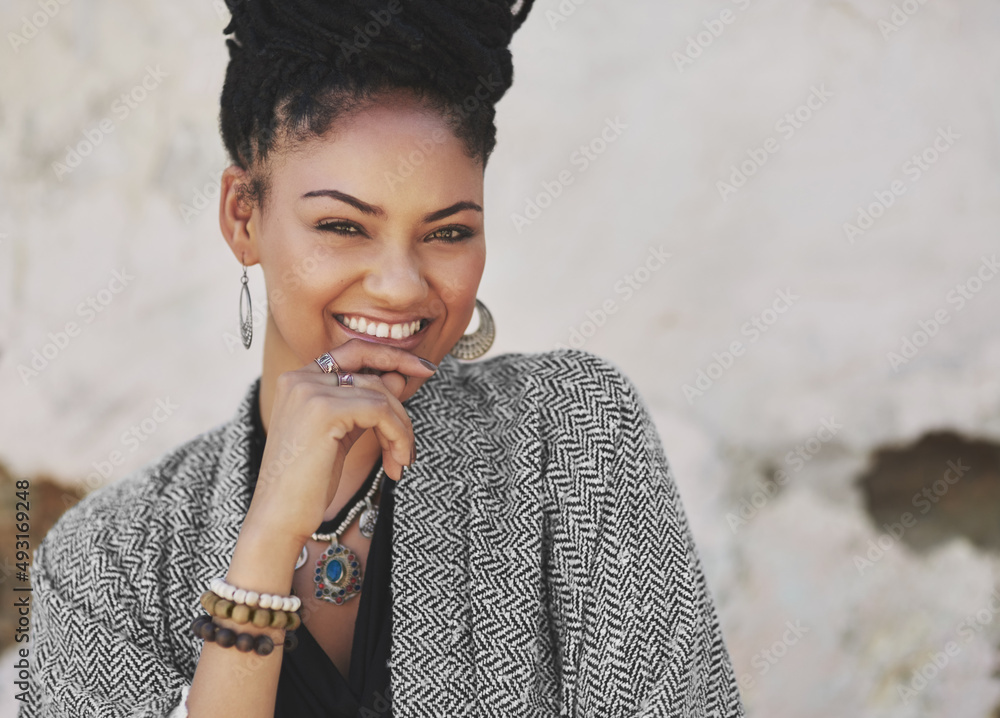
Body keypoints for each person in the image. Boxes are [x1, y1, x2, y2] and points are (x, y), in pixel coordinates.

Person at [18, 1, 746, 716]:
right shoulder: (105, 562)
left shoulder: (571, 436)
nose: (400, 286)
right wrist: (267, 540)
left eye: (448, 234)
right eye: (342, 225)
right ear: (244, 216)